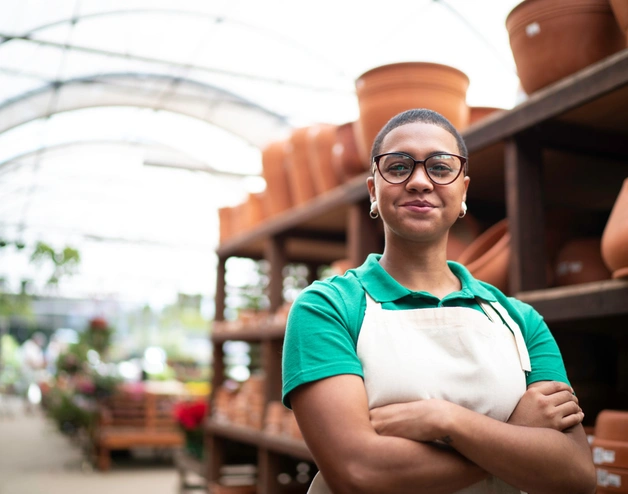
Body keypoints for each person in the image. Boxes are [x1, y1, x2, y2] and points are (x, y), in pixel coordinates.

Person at [281, 108, 596, 494]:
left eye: (440, 168)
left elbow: (577, 473)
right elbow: (357, 472)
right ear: (373, 191)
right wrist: (517, 435)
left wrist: (446, 420)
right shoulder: (327, 307)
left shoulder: (519, 320)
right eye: (397, 167)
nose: (419, 181)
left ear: (463, 191)